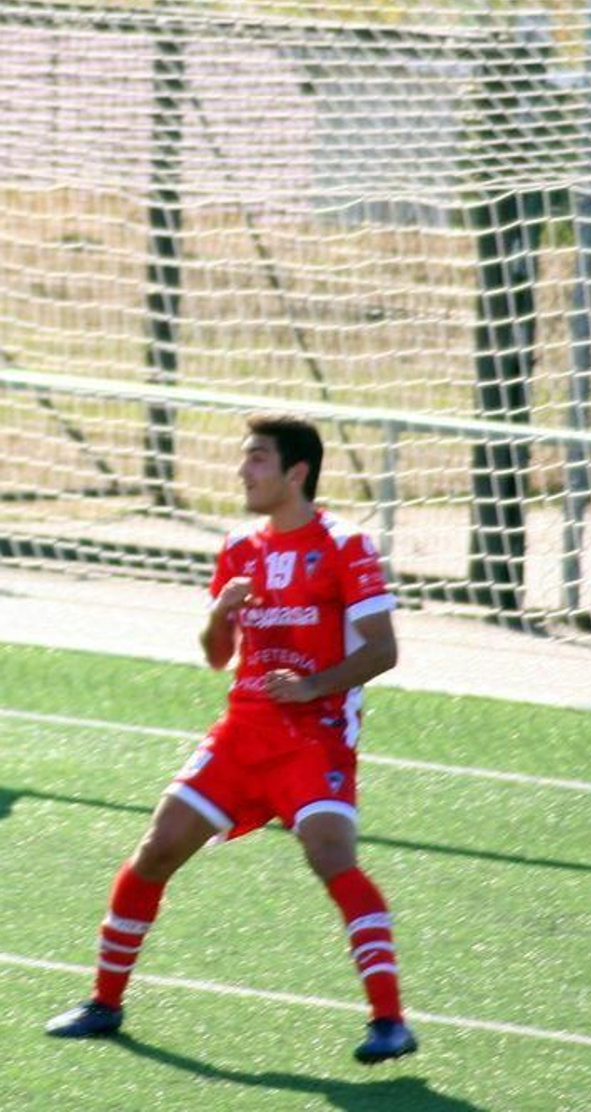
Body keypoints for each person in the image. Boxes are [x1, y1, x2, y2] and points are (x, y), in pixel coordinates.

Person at [44, 414, 418, 1066]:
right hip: (241, 733)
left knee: (331, 854)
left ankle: (389, 1021)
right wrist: (220, 613)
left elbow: (383, 650)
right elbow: (217, 655)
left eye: (256, 460)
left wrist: (311, 687)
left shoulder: (345, 546)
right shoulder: (240, 548)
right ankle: (104, 1001)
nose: (243, 472)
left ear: (295, 472)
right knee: (157, 848)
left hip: (314, 738)